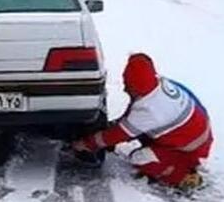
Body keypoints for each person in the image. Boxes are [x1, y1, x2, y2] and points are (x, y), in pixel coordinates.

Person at [72, 53, 213, 190]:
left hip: (190, 147)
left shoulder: (150, 110)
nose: (124, 88)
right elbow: (132, 115)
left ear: (135, 87)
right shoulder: (159, 84)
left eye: (127, 85)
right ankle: (174, 157)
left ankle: (183, 175)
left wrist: (86, 144)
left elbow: (118, 134)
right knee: (138, 129)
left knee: (139, 158)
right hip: (194, 132)